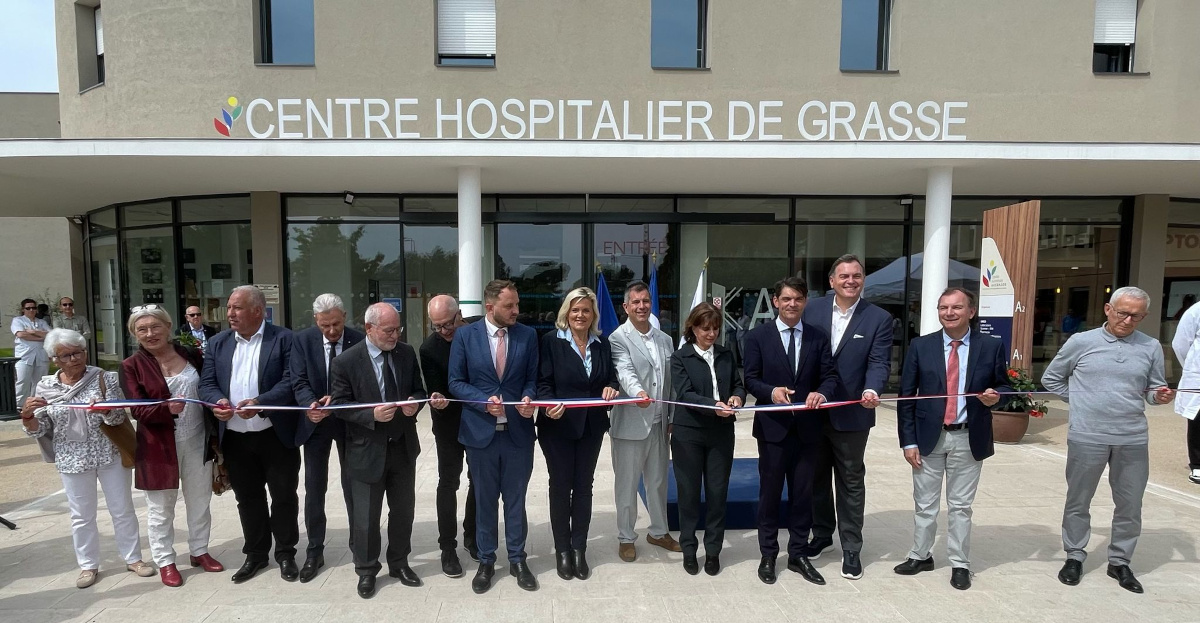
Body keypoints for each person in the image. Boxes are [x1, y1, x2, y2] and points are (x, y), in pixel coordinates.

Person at [1043, 286, 1174, 594]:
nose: (1127, 321)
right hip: (1087, 435)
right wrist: (1080, 402)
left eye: (1136, 316)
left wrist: (1160, 395)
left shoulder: (1151, 346)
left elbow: (1155, 390)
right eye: (1122, 313)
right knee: (1079, 500)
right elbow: (1051, 378)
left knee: (1130, 504)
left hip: (1132, 438)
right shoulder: (1081, 342)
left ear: (1145, 316)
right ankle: (1074, 555)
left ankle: (1120, 562)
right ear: (1107, 309)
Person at [20, 329, 155, 588]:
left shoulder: (104, 378)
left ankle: (134, 558)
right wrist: (28, 416)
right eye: (66, 355)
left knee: (122, 509)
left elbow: (118, 418)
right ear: (54, 359)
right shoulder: (45, 387)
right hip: (71, 458)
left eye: (78, 352)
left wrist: (106, 410)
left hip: (109, 453)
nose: (74, 359)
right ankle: (88, 565)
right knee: (81, 515)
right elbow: (40, 430)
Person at [894, 287, 1007, 591]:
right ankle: (920, 555)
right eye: (943, 307)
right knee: (925, 503)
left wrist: (995, 398)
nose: (949, 313)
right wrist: (908, 441)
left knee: (960, 506)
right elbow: (906, 398)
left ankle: (960, 563)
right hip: (928, 438)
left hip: (969, 437)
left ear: (971, 311)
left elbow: (1005, 389)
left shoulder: (991, 346)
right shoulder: (921, 346)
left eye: (956, 307)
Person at [328, 302, 439, 598]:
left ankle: (399, 562)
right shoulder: (346, 362)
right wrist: (370, 415)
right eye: (389, 330)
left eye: (397, 329)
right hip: (365, 449)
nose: (394, 336)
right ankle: (366, 570)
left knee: (403, 511)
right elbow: (338, 405)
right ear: (369, 328)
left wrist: (414, 403)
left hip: (402, 446)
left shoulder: (405, 353)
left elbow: (418, 389)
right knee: (366, 516)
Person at [198, 285, 301, 584]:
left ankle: (285, 553)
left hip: (275, 435)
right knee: (248, 498)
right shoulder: (217, 344)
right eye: (229, 307)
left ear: (258, 310)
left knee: (283, 496)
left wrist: (260, 403)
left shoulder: (283, 340)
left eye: (237, 308)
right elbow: (206, 383)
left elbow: (291, 382)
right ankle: (255, 554)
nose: (230, 313)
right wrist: (217, 400)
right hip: (235, 437)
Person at [800, 255, 893, 580]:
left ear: (863, 279)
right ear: (832, 281)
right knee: (816, 479)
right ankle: (823, 534)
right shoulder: (811, 310)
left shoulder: (879, 318)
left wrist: (872, 388)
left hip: (853, 414)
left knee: (851, 481)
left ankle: (851, 547)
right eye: (844, 276)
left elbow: (879, 362)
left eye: (856, 275)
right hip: (813, 412)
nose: (850, 280)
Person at [743, 276, 839, 586]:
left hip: (809, 431)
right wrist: (771, 392)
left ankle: (798, 554)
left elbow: (830, 376)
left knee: (803, 495)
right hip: (774, 430)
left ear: (805, 302)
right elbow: (750, 379)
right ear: (775, 301)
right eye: (786, 299)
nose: (792, 304)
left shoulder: (818, 337)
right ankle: (768, 554)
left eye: (798, 299)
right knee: (770, 495)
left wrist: (821, 393)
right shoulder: (757, 336)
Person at [120, 304, 223, 587]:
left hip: (197, 440)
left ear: (168, 327)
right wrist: (166, 409)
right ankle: (165, 560)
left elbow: (210, 386)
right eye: (142, 329)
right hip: (158, 447)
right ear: (134, 334)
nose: (150, 333)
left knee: (199, 499)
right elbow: (136, 409)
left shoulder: (190, 354)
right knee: (160, 507)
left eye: (155, 327)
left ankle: (199, 550)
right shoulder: (131, 365)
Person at [448, 279, 540, 594]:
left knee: (516, 501)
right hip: (480, 435)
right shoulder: (464, 336)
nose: (516, 310)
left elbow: (532, 379)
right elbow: (456, 382)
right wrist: (481, 401)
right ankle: (486, 561)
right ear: (490, 306)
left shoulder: (528, 336)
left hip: (518, 434)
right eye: (509, 306)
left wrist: (528, 399)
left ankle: (517, 559)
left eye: (516, 304)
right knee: (485, 502)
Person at [536, 287, 620, 581]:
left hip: (592, 427)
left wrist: (612, 387)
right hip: (557, 427)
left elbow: (610, 377)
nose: (580, 315)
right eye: (575, 310)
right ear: (566, 314)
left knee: (584, 487)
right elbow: (542, 383)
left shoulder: (602, 343)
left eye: (586, 310)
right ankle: (562, 550)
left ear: (593, 314)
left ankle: (579, 549)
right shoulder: (550, 342)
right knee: (560, 486)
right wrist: (548, 407)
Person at [291, 293, 364, 583]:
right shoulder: (303, 340)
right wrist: (310, 404)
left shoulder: (359, 339)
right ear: (315, 321)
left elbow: (364, 380)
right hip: (316, 424)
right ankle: (314, 550)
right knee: (314, 487)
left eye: (335, 324)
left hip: (348, 423)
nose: (331, 331)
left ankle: (359, 546)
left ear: (345, 317)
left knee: (354, 486)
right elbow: (298, 379)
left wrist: (340, 399)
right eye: (325, 325)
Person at [670, 302, 746, 577]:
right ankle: (689, 549)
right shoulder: (680, 357)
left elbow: (738, 383)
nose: (711, 334)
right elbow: (685, 393)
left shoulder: (726, 355)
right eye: (705, 329)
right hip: (688, 433)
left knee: (717, 494)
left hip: (721, 433)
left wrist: (737, 396)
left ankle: (712, 551)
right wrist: (713, 404)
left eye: (715, 328)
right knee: (688, 494)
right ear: (693, 328)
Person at [608, 280, 681, 563]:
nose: (642, 306)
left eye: (645, 301)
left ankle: (659, 532)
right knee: (626, 485)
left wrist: (672, 416)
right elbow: (624, 370)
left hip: (661, 425)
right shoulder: (617, 338)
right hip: (630, 424)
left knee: (659, 483)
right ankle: (626, 537)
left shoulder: (665, 339)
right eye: (635, 302)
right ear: (626, 307)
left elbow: (671, 382)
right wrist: (637, 391)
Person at [420, 294, 477, 577]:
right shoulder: (429, 348)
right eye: (437, 326)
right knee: (448, 482)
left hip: (480, 420)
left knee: (478, 479)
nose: (444, 331)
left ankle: (472, 535)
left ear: (460, 316)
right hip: (448, 424)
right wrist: (437, 398)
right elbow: (434, 387)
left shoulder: (476, 332)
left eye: (448, 324)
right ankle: (447, 547)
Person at [1172, 298, 1200, 485]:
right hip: (1199, 375)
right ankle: (1198, 464)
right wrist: (1191, 368)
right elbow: (1181, 344)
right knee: (1198, 420)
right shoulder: (1196, 311)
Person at [11, 298, 52, 408]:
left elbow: (51, 335)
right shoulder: (18, 320)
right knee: (22, 381)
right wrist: (40, 337)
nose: (31, 310)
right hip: (24, 356)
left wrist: (34, 332)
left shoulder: (41, 322)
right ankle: (19, 406)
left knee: (39, 382)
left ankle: (35, 405)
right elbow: (20, 335)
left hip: (41, 355)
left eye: (34, 308)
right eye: (28, 308)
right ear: (23, 309)